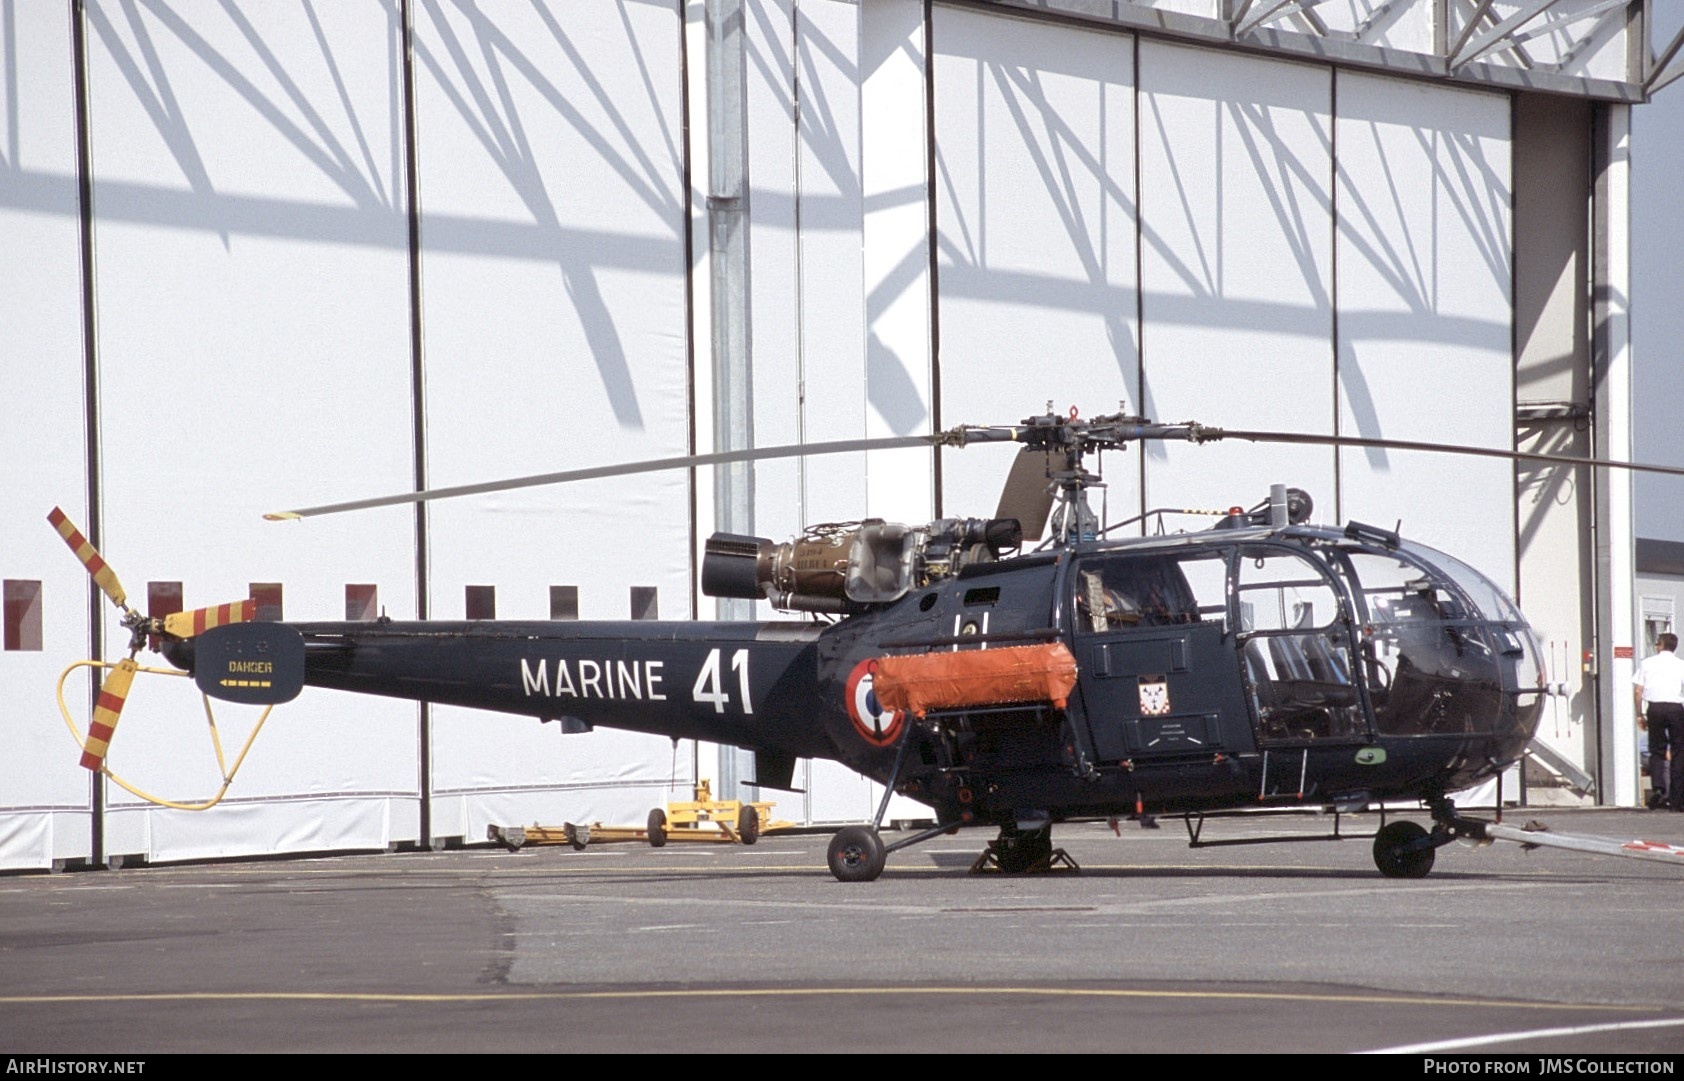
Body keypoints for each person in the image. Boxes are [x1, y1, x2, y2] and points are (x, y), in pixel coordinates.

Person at [1632, 632, 1684, 811]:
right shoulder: (1681, 665)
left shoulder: (1647, 663)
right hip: (1675, 708)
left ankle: (1659, 788)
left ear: (1660, 645)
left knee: (1656, 749)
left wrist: (1639, 714)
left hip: (1655, 708)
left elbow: (1638, 691)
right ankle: (1677, 797)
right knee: (1678, 751)